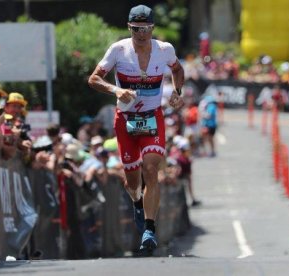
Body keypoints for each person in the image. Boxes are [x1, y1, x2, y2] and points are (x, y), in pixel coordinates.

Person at [88, 4, 184, 256]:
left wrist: (177, 91)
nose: (141, 34)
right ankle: (136, 201)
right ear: (129, 28)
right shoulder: (118, 50)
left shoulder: (165, 50)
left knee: (151, 169)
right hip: (126, 119)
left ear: (153, 28)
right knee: (132, 182)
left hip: (153, 117)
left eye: (146, 29)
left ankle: (149, 230)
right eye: (136, 29)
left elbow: (177, 69)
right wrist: (117, 90)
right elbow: (94, 78)